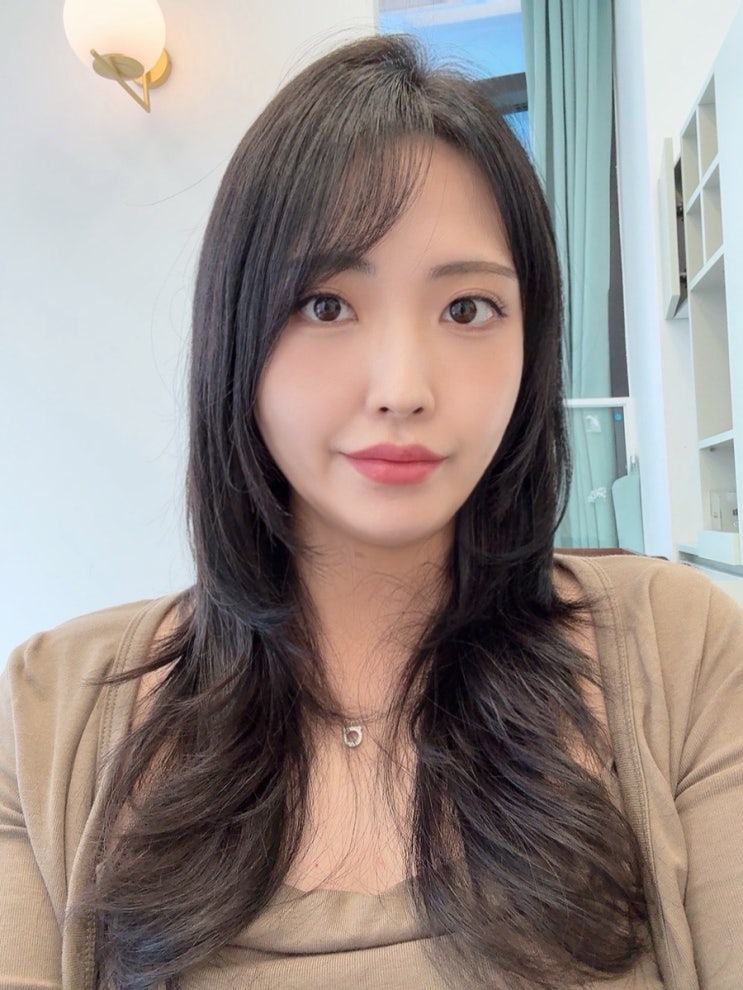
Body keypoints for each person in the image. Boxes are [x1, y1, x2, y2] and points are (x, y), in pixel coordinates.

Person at [1, 33, 742, 990]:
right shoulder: (47, 714)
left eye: (467, 309)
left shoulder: (681, 654)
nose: (402, 389)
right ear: (235, 334)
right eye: (325, 304)